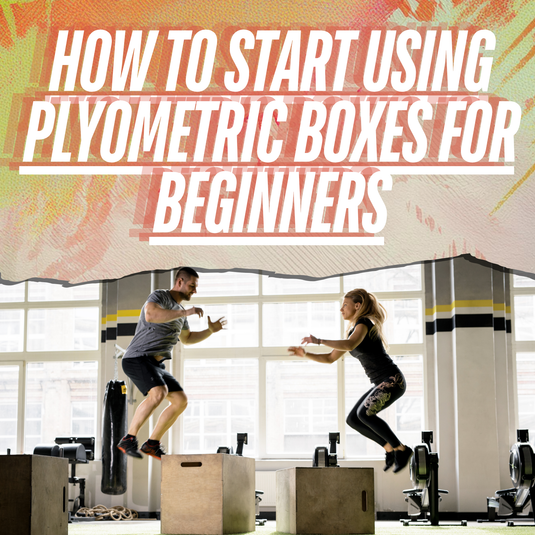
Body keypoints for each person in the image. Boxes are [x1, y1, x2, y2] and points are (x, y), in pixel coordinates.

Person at [288, 288, 413, 473]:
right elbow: (330, 358)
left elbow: (349, 345)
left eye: (345, 305)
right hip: (381, 382)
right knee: (353, 419)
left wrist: (319, 340)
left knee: (364, 415)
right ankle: (389, 449)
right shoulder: (353, 331)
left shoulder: (364, 323)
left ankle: (402, 449)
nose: (341, 309)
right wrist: (306, 354)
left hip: (392, 380)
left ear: (357, 306)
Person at [117, 267, 226, 460]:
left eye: (196, 287)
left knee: (180, 400)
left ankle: (152, 444)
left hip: (156, 365)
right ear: (180, 282)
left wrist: (210, 331)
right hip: (137, 358)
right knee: (159, 393)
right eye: (192, 286)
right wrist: (186, 313)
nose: (194, 291)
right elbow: (151, 315)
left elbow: (188, 338)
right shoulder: (160, 296)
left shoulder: (180, 313)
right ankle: (128, 439)